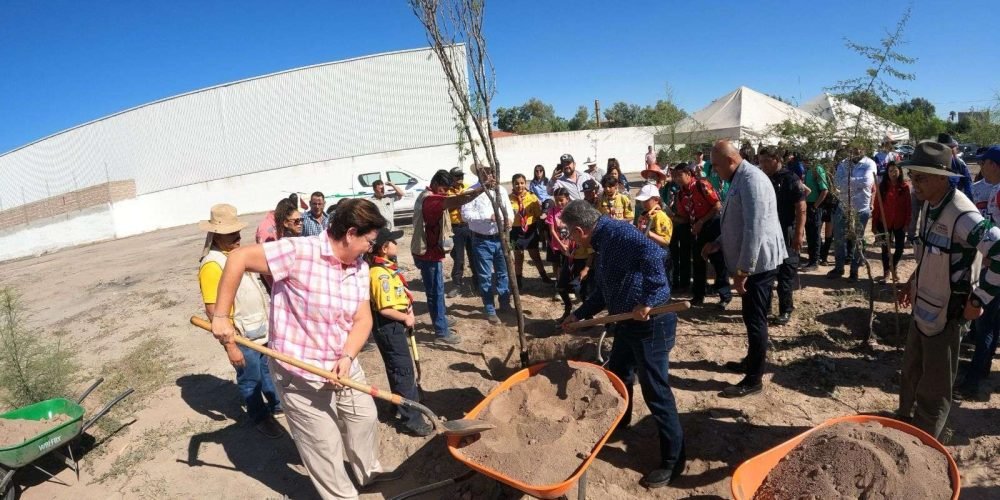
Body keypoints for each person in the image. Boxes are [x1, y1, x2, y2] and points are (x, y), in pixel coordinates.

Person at [209, 198, 402, 499]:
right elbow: (239, 259)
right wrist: (221, 316)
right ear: (351, 233)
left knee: (364, 417)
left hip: (344, 363)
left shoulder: (360, 268)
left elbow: (363, 319)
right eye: (369, 240)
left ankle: (368, 472)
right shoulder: (299, 251)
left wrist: (348, 356)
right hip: (299, 372)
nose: (370, 247)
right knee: (323, 446)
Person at [559, 200, 685, 489]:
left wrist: (651, 299)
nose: (571, 240)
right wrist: (579, 313)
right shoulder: (603, 243)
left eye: (570, 234)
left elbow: (657, 252)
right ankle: (621, 422)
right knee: (618, 374)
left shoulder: (619, 234)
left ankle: (673, 462)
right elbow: (605, 290)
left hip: (651, 324)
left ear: (581, 230)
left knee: (656, 391)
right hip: (627, 323)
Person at [895, 141, 1000, 439]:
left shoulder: (963, 215)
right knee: (912, 371)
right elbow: (930, 251)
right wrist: (912, 281)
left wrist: (979, 300)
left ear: (942, 177)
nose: (915, 184)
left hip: (947, 314)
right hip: (923, 306)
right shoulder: (930, 204)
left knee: (935, 387)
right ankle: (902, 424)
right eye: (913, 176)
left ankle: (925, 444)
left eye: (921, 178)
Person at [703, 140, 787, 398]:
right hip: (751, 262)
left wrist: (743, 270)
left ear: (730, 160)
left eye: (716, 166)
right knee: (751, 317)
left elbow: (755, 228)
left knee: (755, 320)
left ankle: (754, 379)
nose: (714, 171)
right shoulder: (740, 178)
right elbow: (736, 221)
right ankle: (752, 361)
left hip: (758, 264)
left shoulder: (752, 180)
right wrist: (718, 243)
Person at [197, 204, 282, 438]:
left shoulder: (236, 255)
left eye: (237, 231)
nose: (237, 236)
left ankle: (276, 405)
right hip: (241, 334)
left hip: (259, 328)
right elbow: (213, 310)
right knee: (250, 378)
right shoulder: (213, 264)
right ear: (216, 234)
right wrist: (230, 346)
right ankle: (260, 417)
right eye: (230, 233)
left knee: (267, 371)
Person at [412, 170, 492, 343]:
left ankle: (441, 319)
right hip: (428, 254)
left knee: (437, 290)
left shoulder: (428, 195)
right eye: (443, 188)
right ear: (434, 184)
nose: (445, 193)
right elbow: (459, 199)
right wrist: (481, 189)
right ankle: (441, 332)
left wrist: (480, 186)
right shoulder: (431, 200)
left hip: (430, 251)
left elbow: (458, 196)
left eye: (448, 189)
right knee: (435, 291)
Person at [366, 227, 433, 436]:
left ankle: (396, 404)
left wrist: (407, 305)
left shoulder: (388, 269)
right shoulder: (379, 274)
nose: (397, 244)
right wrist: (405, 317)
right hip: (389, 327)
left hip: (395, 325)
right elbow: (385, 308)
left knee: (398, 368)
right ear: (385, 248)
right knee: (402, 370)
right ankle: (412, 419)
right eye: (393, 241)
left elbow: (396, 297)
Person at [955, 145, 1000, 401]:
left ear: (994, 164)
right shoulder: (992, 189)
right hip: (992, 261)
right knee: (991, 322)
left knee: (985, 321)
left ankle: (972, 381)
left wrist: (990, 257)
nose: (981, 168)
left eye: (984, 163)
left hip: (995, 266)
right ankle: (980, 370)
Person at [758, 146, 807, 325]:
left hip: (787, 231)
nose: (762, 165)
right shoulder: (762, 178)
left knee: (785, 273)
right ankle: (766, 307)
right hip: (767, 231)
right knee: (767, 270)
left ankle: (786, 309)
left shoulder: (790, 178)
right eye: (760, 161)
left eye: (765, 161)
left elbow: (801, 207)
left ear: (777, 160)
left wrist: (799, 234)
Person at [671, 162, 731, 308]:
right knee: (698, 262)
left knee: (718, 261)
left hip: (712, 225)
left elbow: (717, 205)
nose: (677, 179)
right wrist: (670, 216)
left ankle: (725, 295)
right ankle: (698, 296)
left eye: (680, 175)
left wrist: (702, 222)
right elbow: (684, 217)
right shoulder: (680, 195)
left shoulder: (702, 185)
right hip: (697, 230)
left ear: (689, 174)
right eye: (675, 176)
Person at [461, 164, 514, 324]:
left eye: (490, 172)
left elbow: (508, 208)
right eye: (485, 172)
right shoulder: (471, 192)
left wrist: (510, 219)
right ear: (479, 174)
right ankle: (490, 309)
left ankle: (504, 303)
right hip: (482, 239)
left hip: (500, 238)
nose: (489, 175)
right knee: (485, 276)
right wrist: (486, 216)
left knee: (503, 272)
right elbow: (465, 215)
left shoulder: (501, 190)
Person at [828, 146, 877, 282]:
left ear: (864, 149)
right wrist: (855, 181)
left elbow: (867, 182)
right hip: (843, 206)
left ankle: (854, 271)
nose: (855, 150)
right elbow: (837, 182)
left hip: (861, 208)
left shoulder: (869, 163)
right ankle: (839, 268)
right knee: (838, 238)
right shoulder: (844, 163)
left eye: (859, 147)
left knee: (857, 240)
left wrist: (848, 181)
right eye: (853, 147)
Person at [509, 173, 553, 289]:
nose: (520, 186)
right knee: (518, 257)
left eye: (522, 183)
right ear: (513, 184)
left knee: (535, 255)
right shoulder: (508, 199)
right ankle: (518, 280)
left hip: (530, 230)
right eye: (517, 183)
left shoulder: (532, 197)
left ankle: (544, 276)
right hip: (515, 231)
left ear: (525, 183)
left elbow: (538, 215)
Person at [872, 162, 912, 282]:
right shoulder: (882, 187)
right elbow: (877, 206)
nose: (893, 173)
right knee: (885, 249)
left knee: (899, 248)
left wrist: (907, 223)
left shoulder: (904, 187)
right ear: (887, 173)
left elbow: (908, 207)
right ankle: (886, 273)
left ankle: (893, 267)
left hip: (899, 223)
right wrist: (874, 224)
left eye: (895, 171)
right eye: (890, 171)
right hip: (884, 222)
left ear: (899, 172)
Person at [446, 166, 477, 298]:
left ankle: (477, 283)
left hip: (470, 226)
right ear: (451, 178)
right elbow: (448, 205)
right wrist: (459, 200)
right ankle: (457, 285)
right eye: (457, 176)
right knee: (458, 258)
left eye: (461, 176)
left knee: (474, 256)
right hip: (456, 228)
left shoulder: (469, 188)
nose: (460, 179)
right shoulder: (447, 192)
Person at [802, 157, 830, 270]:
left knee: (815, 233)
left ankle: (815, 261)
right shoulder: (807, 170)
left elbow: (824, 190)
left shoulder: (817, 169)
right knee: (810, 233)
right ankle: (812, 259)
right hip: (808, 204)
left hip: (815, 206)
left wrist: (815, 206)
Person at [635, 184, 673, 258]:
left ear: (656, 200)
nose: (643, 203)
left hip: (659, 254)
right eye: (642, 201)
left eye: (646, 200)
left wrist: (649, 233)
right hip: (647, 252)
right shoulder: (644, 214)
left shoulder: (661, 217)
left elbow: (666, 241)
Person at [938, 133, 974, 199]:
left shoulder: (960, 165)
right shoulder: (931, 165)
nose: (945, 151)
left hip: (955, 202)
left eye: (948, 148)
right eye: (941, 148)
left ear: (952, 149)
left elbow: (968, 186)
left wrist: (968, 202)